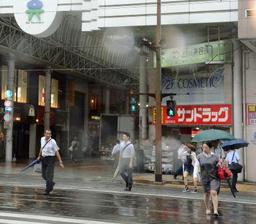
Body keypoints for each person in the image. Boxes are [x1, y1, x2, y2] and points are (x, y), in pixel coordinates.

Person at [194, 141, 221, 217]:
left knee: (213, 192)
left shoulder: (216, 156)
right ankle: (207, 208)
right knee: (206, 193)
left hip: (214, 177)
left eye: (206, 147)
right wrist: (195, 175)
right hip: (204, 177)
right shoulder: (199, 156)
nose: (204, 149)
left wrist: (221, 164)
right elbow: (196, 166)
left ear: (210, 148)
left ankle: (215, 210)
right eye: (203, 147)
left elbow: (219, 167)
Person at [37, 129, 64, 195]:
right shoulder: (42, 139)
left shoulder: (53, 141)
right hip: (43, 158)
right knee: (43, 175)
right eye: (47, 133)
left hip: (50, 159)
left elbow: (56, 151)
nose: (48, 135)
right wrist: (39, 156)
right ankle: (51, 183)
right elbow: (41, 148)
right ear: (44, 134)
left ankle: (47, 190)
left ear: (51, 135)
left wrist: (60, 161)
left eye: (49, 134)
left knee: (49, 175)